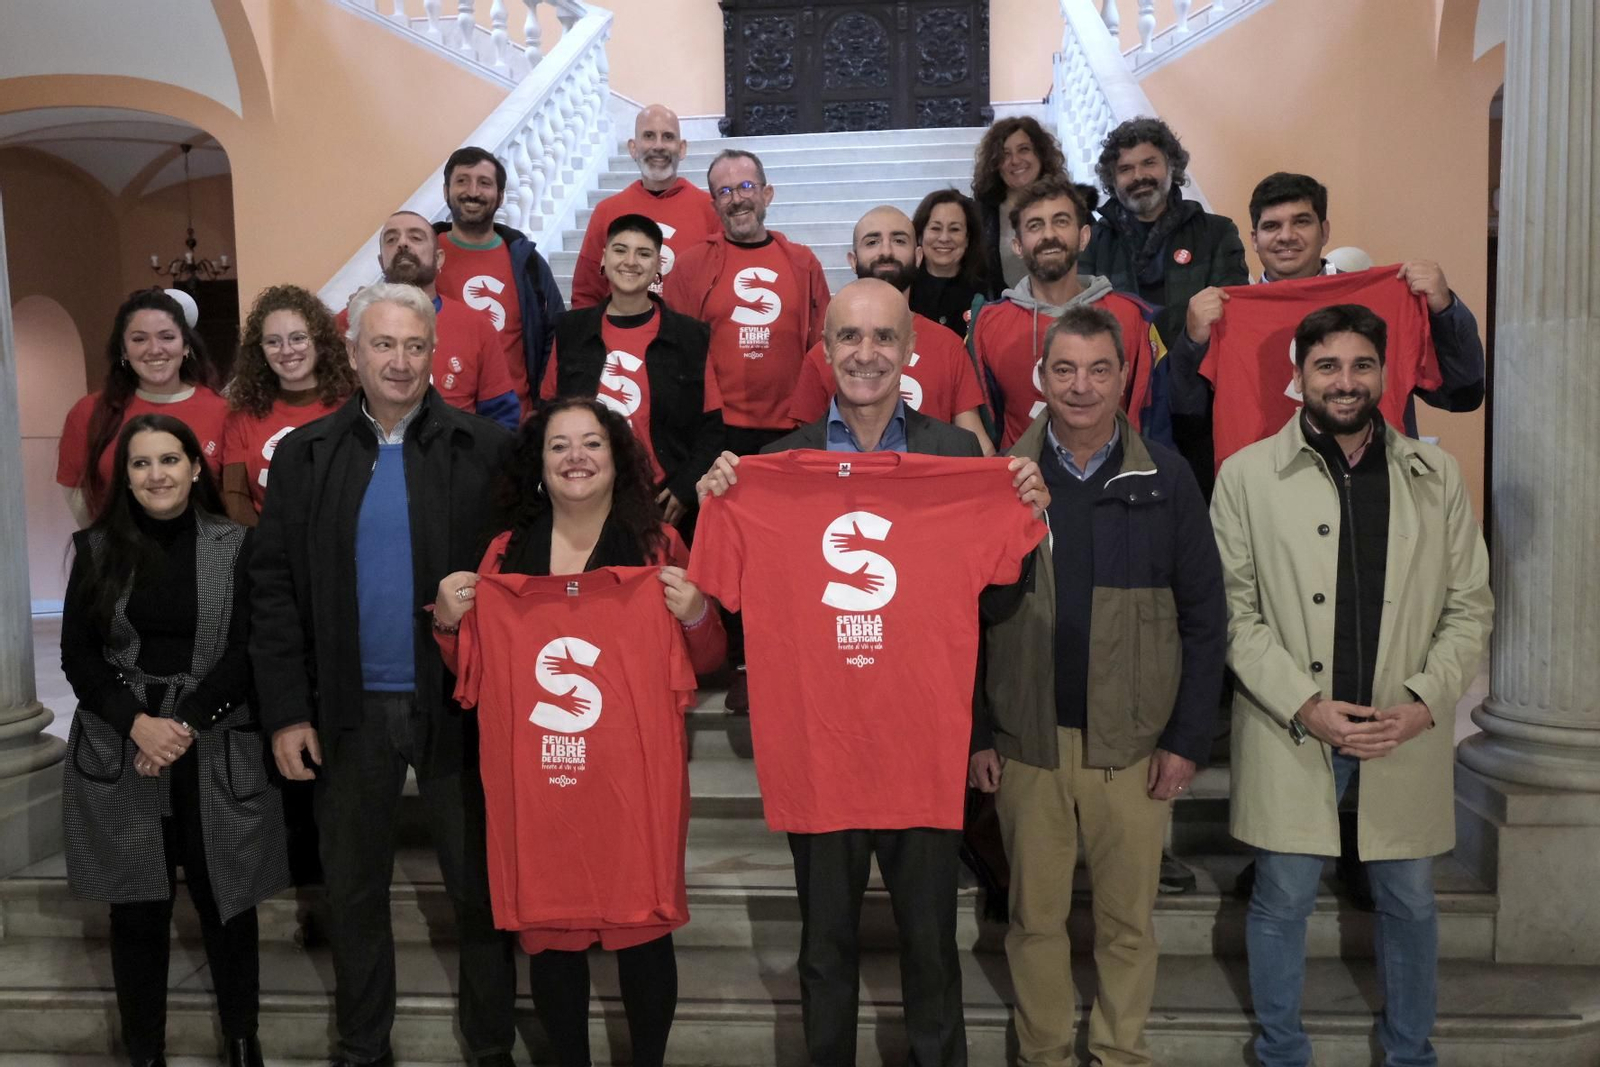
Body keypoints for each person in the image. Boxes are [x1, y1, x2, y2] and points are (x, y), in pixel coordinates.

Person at [691, 278, 1051, 1067]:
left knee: (931, 946)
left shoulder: (958, 456)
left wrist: (1023, 508)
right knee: (824, 948)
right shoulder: (774, 466)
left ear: (910, 351)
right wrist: (724, 500)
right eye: (849, 337)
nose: (866, 353)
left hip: (922, 744)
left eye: (883, 338)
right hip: (820, 750)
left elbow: (996, 601)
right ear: (823, 352)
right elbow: (735, 598)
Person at [1210, 304, 1492, 1067]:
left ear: (1385, 373)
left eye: (1362, 364)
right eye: (1327, 365)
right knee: (1281, 901)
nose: (1346, 380)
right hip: (1293, 726)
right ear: (1298, 375)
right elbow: (1231, 613)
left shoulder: (1436, 478)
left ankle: (1410, 1053)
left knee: (1409, 901)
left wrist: (1425, 704)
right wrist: (1303, 704)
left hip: (1401, 728)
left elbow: (1470, 605)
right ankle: (1280, 1053)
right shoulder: (1244, 477)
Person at [250, 283, 518, 1067]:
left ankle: (491, 1045)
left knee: (480, 889)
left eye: (414, 346)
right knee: (355, 892)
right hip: (348, 710)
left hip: (459, 704)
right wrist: (287, 712)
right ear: (355, 354)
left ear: (434, 354)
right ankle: (363, 1046)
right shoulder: (306, 455)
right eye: (383, 345)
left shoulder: (487, 449)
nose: (399, 361)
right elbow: (274, 590)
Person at [430, 397, 725, 1067]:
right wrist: (448, 623)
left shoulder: (659, 548)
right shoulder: (506, 554)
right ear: (538, 464)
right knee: (550, 930)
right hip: (541, 777)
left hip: (633, 776)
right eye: (559, 445)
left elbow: (703, 661)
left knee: (643, 929)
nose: (576, 457)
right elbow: (476, 667)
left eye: (591, 443)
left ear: (617, 460)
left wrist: (696, 612)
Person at [970, 305, 1226, 1067]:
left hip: (1133, 747)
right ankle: (1044, 1052)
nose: (1081, 387)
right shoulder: (1000, 481)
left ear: (1124, 377)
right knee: (1034, 920)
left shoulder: (1168, 477)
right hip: (1028, 745)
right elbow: (967, 620)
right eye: (1065, 370)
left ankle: (1121, 1052)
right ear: (1041, 379)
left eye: (1100, 369)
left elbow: (1206, 620)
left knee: (1126, 923)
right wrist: (980, 732)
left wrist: (1186, 739)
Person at [60, 413, 287, 1067]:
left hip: (211, 742)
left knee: (228, 901)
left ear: (195, 467)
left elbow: (248, 649)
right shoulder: (96, 548)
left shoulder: (237, 545)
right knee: (136, 908)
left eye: (169, 459)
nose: (156, 473)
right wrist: (138, 721)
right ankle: (145, 1051)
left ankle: (242, 1042)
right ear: (125, 477)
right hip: (124, 743)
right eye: (140, 463)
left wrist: (184, 721)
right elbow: (80, 656)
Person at [663, 147, 830, 712]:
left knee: (785, 556)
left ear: (767, 194)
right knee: (728, 557)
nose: (737, 198)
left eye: (746, 187)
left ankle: (787, 656)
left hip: (787, 432)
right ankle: (739, 662)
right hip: (722, 434)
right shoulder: (690, 267)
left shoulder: (802, 262)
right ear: (714, 204)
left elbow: (819, 349)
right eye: (725, 191)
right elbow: (680, 355)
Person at [1171, 171, 1487, 437]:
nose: (1286, 236)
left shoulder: (1380, 303)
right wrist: (1191, 343)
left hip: (1374, 487)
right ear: (1254, 239)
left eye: (1301, 222)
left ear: (1324, 231)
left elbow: (1462, 393)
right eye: (1271, 226)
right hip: (1271, 495)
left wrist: (1445, 310)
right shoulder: (1224, 317)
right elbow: (1186, 418)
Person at [1079, 117, 1248, 496]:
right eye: (1125, 169)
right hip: (1119, 408)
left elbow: (1233, 316)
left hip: (1200, 408)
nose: (1139, 176)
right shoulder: (1091, 241)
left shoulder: (1217, 233)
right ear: (1112, 179)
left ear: (1172, 166)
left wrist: (1191, 337)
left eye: (1149, 163)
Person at [543, 214, 723, 526]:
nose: (631, 261)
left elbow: (712, 427)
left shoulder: (690, 337)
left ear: (657, 266)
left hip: (661, 502)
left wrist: (684, 489)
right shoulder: (570, 330)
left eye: (644, 253)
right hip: (582, 494)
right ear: (603, 258)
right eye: (620, 250)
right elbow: (546, 414)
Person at [968, 177, 1159, 451]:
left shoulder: (1130, 316)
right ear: (1018, 246)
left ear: (1083, 237)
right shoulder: (987, 326)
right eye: (1035, 226)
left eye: (1061, 221)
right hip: (1022, 484)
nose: (1049, 235)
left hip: (1113, 483)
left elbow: (1152, 415)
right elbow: (985, 422)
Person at [787, 205, 991, 451]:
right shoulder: (823, 354)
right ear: (853, 260)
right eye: (872, 242)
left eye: (898, 240)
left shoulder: (948, 345)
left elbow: (977, 449)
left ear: (918, 256)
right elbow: (802, 454)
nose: (886, 251)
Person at [57, 289, 228, 526]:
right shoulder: (89, 412)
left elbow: (230, 497)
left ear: (186, 346)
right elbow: (75, 489)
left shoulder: (222, 411)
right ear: (124, 350)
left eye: (167, 337)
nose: (154, 349)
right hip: (119, 556)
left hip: (205, 556)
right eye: (139, 339)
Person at [340, 210, 520, 431]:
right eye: (391, 239)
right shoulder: (349, 323)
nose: (402, 244)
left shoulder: (475, 325)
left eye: (415, 237)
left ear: (438, 258)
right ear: (381, 261)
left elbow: (502, 416)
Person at [433, 145, 567, 411]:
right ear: (446, 191)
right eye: (462, 181)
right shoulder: (422, 257)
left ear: (501, 196)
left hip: (514, 422)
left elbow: (557, 332)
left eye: (484, 183)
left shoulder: (527, 262)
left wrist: (541, 408)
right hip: (439, 423)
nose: (473, 192)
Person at [222, 284, 357, 526]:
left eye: (298, 338)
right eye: (273, 342)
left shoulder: (352, 406)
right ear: (260, 350)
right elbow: (236, 498)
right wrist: (266, 547)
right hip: (270, 552)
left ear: (319, 341)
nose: (286, 350)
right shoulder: (243, 415)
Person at [570, 104, 720, 308]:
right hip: (620, 336)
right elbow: (586, 292)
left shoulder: (711, 210)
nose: (658, 146)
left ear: (682, 148)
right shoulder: (607, 211)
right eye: (649, 136)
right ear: (633, 147)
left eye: (668, 137)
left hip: (687, 337)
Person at [970, 117, 1071, 294]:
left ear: (1040, 154)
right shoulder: (981, 214)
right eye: (1005, 154)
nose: (1015, 161)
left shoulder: (1069, 206)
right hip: (1003, 313)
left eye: (1024, 150)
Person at [909, 188, 990, 336]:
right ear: (920, 235)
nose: (944, 238)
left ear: (967, 239)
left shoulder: (987, 293)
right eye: (935, 228)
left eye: (954, 229)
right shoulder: (904, 289)